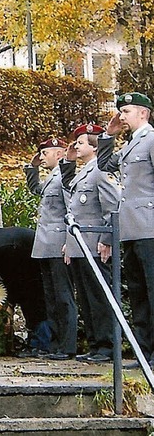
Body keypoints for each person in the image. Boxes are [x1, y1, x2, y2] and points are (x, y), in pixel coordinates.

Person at [97, 92, 154, 368]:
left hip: (150, 227)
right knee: (138, 292)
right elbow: (106, 165)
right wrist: (108, 135)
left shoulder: (151, 140)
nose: (122, 116)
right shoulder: (131, 145)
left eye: (127, 111)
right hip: (132, 229)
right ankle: (145, 352)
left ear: (143, 113)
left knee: (152, 291)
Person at [61, 123, 120, 363]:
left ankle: (105, 346)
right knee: (86, 298)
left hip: (95, 245)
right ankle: (96, 345)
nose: (76, 145)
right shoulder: (84, 171)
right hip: (80, 246)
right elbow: (74, 208)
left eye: (81, 142)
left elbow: (112, 206)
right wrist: (69, 243)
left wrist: (107, 238)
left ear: (94, 147)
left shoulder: (99, 171)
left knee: (99, 297)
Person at [24, 138, 77, 360]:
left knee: (63, 297)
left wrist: (70, 242)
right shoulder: (50, 177)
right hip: (45, 244)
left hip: (59, 243)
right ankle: (55, 345)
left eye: (45, 153)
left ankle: (67, 345)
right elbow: (36, 189)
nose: (42, 156)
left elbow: (71, 209)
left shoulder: (65, 177)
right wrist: (32, 167)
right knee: (51, 298)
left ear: (59, 154)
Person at [0, 222, 52, 356]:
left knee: (37, 310)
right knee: (32, 309)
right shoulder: (0, 241)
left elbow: (14, 276)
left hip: (35, 275)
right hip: (31, 275)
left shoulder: (3, 247)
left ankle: (41, 346)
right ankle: (36, 344)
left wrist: (11, 302)